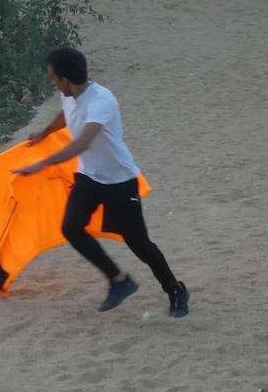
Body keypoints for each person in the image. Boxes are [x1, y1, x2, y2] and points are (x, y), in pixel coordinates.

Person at [12, 47, 189, 318]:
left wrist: (43, 163)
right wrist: (44, 132)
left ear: (65, 79)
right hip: (89, 177)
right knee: (71, 228)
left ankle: (175, 289)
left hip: (119, 180)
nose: (53, 84)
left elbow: (83, 140)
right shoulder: (69, 95)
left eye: (54, 79)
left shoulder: (101, 101)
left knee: (139, 244)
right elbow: (66, 115)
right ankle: (119, 280)